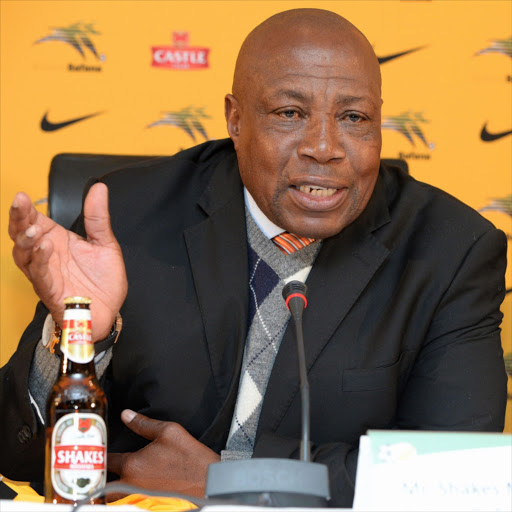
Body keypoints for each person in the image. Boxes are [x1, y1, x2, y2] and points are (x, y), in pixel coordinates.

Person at [1, 8, 508, 507]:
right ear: (235, 119)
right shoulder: (122, 220)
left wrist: (230, 480)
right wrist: (78, 339)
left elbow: (454, 475)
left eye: (353, 118)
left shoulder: (450, 251)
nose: (325, 147)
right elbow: (17, 459)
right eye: (290, 114)